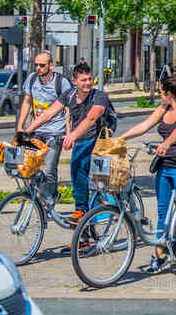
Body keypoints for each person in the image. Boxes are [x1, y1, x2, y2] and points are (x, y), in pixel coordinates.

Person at [118, 75, 176, 277]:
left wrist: (166, 143)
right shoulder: (163, 109)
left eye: (161, 91)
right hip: (164, 167)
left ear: (170, 94)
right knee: (162, 212)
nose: (159, 94)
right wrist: (121, 138)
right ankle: (159, 252)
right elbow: (144, 125)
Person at [23, 61, 111, 223]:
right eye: (83, 80)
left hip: (100, 141)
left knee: (80, 170)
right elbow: (47, 114)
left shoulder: (99, 96)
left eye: (90, 79)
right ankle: (84, 222)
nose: (88, 83)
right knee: (77, 172)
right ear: (74, 81)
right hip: (81, 139)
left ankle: (82, 211)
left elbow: (92, 117)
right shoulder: (69, 95)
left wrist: (73, 135)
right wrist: (26, 131)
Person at [16, 52, 73, 206]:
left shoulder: (62, 83)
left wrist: (68, 133)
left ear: (51, 66)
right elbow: (27, 102)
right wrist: (20, 126)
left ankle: (49, 201)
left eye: (42, 65)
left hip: (56, 132)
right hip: (37, 130)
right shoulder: (32, 79)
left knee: (50, 169)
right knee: (30, 166)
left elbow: (68, 109)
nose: (38, 68)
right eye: (36, 65)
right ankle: (43, 194)